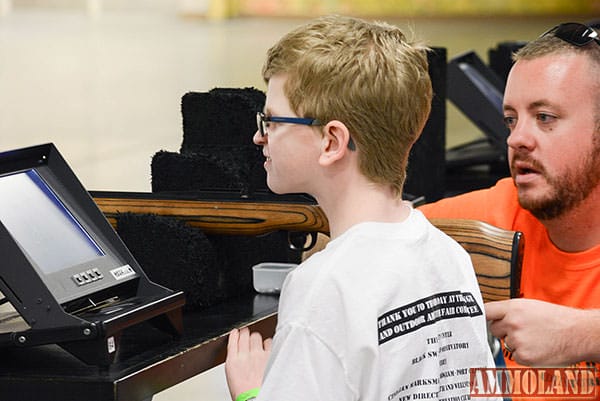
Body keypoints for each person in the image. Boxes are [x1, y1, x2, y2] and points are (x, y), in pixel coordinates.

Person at [224, 15, 499, 401]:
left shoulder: (324, 287)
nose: (259, 136)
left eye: (271, 121)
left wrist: (252, 392)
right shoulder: (451, 257)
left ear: (332, 141)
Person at [419, 21, 600, 391]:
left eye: (544, 117)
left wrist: (584, 334)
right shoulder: (500, 213)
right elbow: (369, 235)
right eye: (511, 120)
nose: (517, 139)